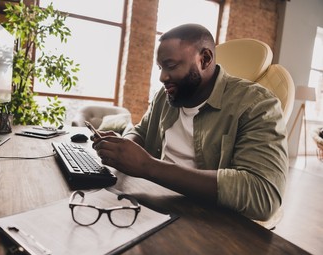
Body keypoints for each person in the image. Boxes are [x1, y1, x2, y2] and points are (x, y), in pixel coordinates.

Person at [93, 24, 288, 222]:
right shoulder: (167, 95)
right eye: (160, 68)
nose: (162, 77)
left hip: (207, 221)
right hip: (153, 204)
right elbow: (142, 131)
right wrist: (122, 148)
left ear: (205, 59)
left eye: (171, 66)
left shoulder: (258, 105)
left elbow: (263, 195)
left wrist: (148, 166)